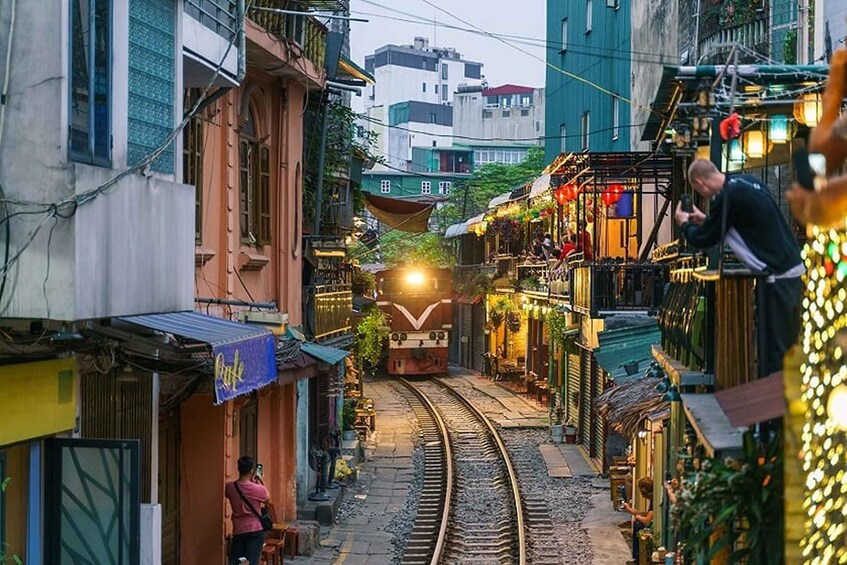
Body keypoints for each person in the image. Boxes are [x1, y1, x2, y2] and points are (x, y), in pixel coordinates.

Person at [675, 159, 804, 376]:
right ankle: (782, 399)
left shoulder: (726, 198)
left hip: (775, 276)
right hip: (790, 268)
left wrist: (685, 224)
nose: (706, 198)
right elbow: (743, 224)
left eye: (700, 192)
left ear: (700, 183)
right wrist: (705, 219)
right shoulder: (745, 182)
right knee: (787, 343)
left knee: (774, 349)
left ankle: (777, 404)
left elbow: (705, 239)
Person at [224, 456, 270, 565]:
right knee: (251, 561)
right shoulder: (258, 489)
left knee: (238, 561)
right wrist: (259, 481)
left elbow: (228, 495)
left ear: (238, 469)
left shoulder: (230, 487)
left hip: (238, 530)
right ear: (251, 471)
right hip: (255, 530)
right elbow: (268, 499)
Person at [623, 477, 654, 564]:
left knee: (638, 525)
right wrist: (630, 510)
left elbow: (647, 520)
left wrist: (637, 517)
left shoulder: (654, 500)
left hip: (652, 526)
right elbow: (646, 514)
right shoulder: (652, 499)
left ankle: (637, 558)